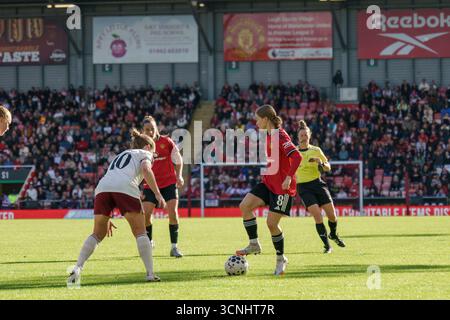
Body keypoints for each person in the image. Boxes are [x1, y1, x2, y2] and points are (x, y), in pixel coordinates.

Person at [68, 129, 166, 284]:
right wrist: (158, 194)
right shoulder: (144, 153)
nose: (153, 156)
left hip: (102, 188)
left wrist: (108, 215)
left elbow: (114, 179)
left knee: (97, 233)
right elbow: (146, 169)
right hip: (124, 186)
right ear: (148, 147)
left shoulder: (122, 154)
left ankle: (77, 267)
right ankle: (150, 273)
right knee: (141, 232)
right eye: (153, 152)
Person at [235, 105, 302, 276]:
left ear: (266, 119)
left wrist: (288, 177)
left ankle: (281, 259)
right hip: (269, 183)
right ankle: (254, 243)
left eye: (258, 119)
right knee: (245, 206)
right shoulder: (269, 135)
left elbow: (297, 156)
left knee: (272, 224)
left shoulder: (280, 135)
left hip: (283, 188)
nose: (256, 123)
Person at [296, 120, 346, 254]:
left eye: (306, 135)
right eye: (301, 135)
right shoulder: (294, 152)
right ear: (298, 137)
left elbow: (328, 167)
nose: (303, 137)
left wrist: (320, 163)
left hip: (318, 184)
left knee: (332, 215)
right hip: (303, 187)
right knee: (317, 216)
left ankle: (333, 234)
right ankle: (327, 246)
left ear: (309, 136)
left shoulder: (316, 150)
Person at [140, 116, 185, 257]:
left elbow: (178, 160)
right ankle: (150, 241)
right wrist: (137, 187)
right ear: (143, 131)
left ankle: (174, 247)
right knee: (146, 215)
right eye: (147, 130)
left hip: (168, 184)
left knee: (173, 214)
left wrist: (179, 175)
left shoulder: (167, 142)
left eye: (152, 129)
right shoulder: (140, 145)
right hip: (150, 185)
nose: (150, 132)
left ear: (156, 128)